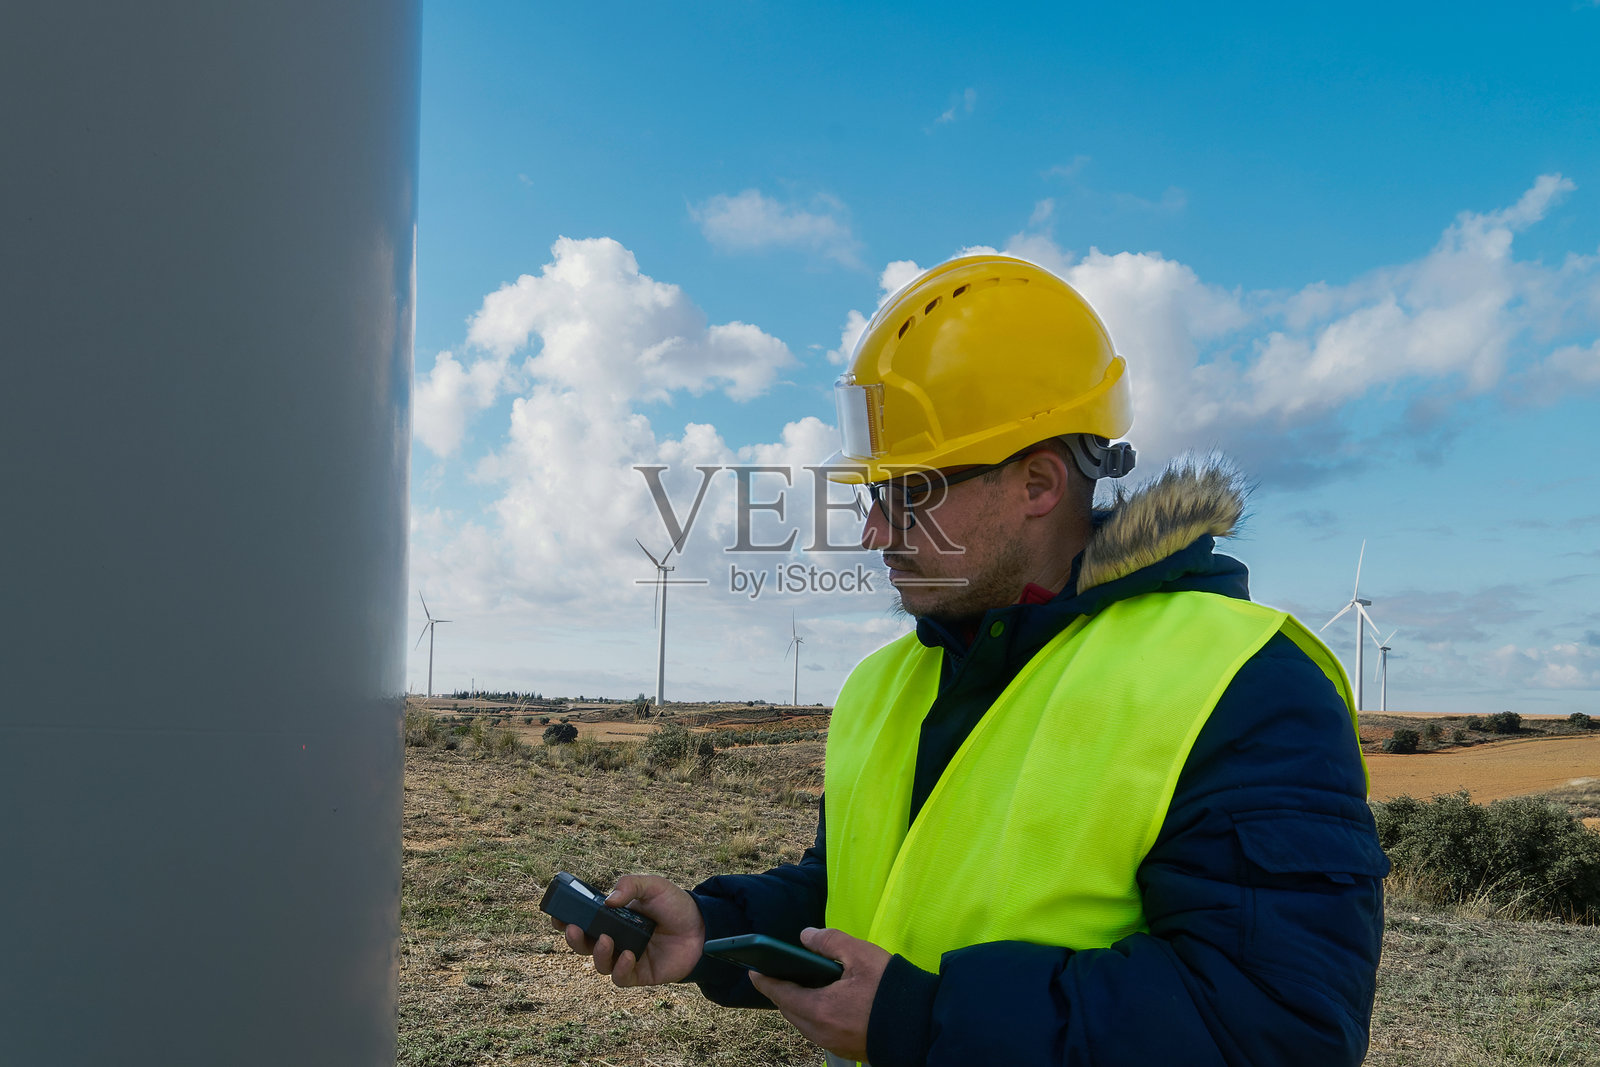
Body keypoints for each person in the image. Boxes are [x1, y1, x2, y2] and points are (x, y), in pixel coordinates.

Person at [556, 254, 1389, 1066]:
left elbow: (1274, 1025)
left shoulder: (1245, 685)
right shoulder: (888, 684)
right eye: (871, 495)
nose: (874, 531)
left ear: (1038, 482)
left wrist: (926, 1019)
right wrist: (712, 930)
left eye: (910, 492)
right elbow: (858, 896)